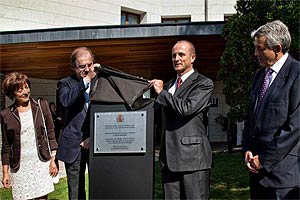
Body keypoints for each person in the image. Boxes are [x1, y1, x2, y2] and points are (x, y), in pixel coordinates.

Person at [149, 40, 214, 199]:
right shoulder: (169, 85)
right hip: (168, 158)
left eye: (181, 54)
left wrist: (162, 93)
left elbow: (187, 108)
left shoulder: (203, 83)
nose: (176, 58)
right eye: (173, 55)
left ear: (192, 58)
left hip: (193, 159)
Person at [243, 20, 300, 199]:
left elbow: (295, 126)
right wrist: (248, 149)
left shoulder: (297, 73)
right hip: (257, 174)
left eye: (260, 49)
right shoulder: (260, 75)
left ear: (277, 48)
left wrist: (265, 159)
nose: (255, 53)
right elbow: (251, 117)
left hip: (283, 176)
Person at [1, 72, 58, 200]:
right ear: (12, 93)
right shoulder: (5, 115)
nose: (25, 92)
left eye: (26, 87)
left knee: (42, 198)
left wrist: (53, 160)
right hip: (19, 166)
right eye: (20, 90)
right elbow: (5, 146)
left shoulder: (41, 105)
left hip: (41, 162)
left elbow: (51, 133)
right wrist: (5, 173)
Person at [56, 47, 97, 199]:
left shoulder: (101, 82)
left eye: (90, 65)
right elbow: (66, 100)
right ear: (73, 67)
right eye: (82, 66)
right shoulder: (65, 83)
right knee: (76, 190)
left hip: (95, 142)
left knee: (99, 184)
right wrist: (86, 81)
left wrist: (93, 137)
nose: (87, 69)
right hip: (74, 145)